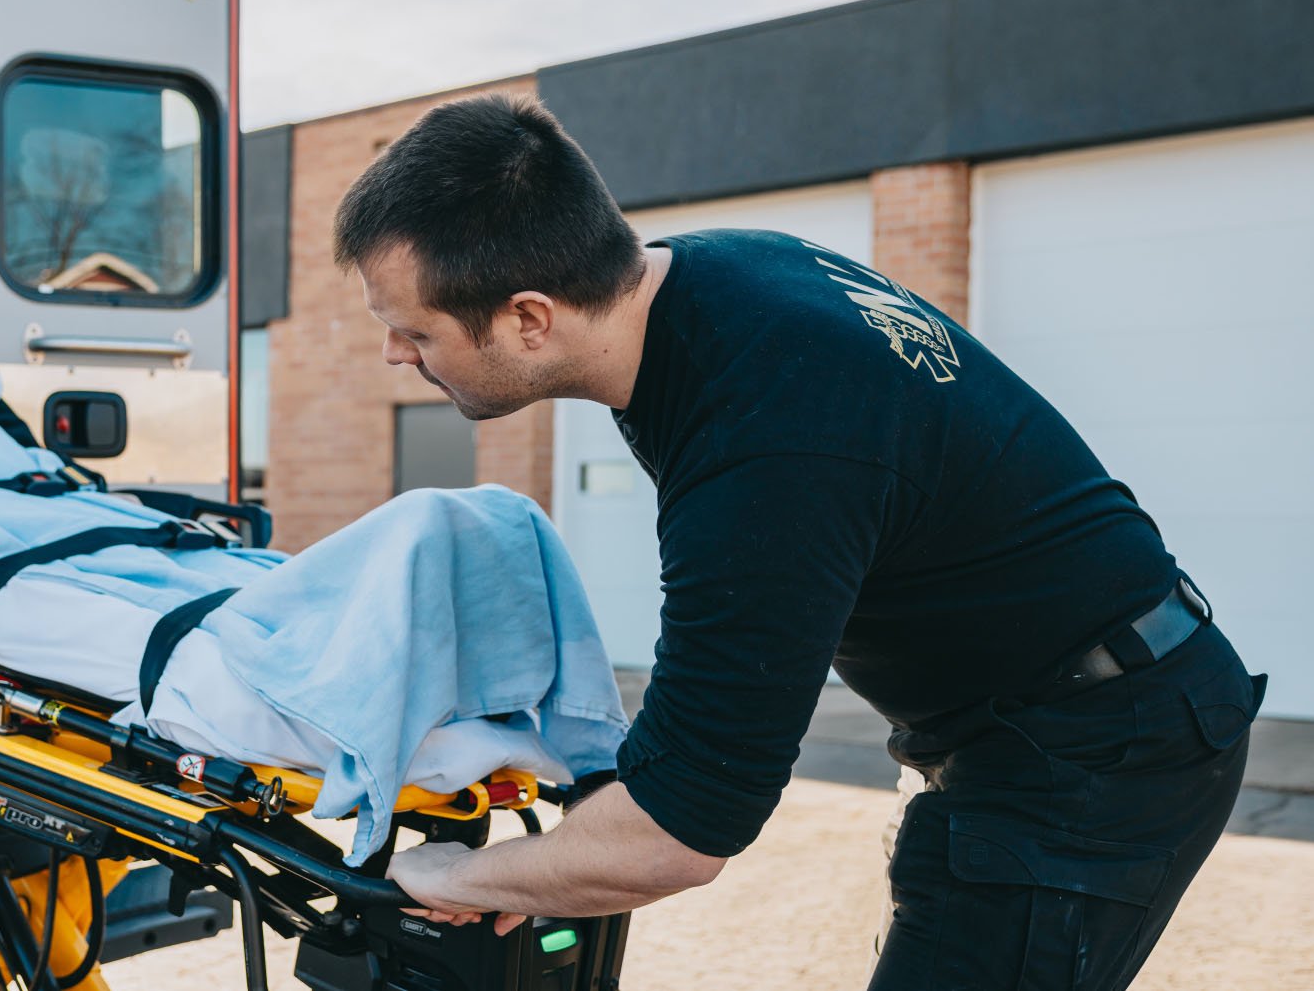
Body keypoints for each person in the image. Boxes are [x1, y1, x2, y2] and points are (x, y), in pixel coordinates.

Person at [336, 95, 1265, 990]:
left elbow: (682, 833)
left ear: (530, 317)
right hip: (1063, 708)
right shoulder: (724, 274)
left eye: (413, 330)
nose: (394, 356)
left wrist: (453, 878)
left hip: (1098, 752)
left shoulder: (766, 433)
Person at [0, 207, 628, 863]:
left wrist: (71, 485)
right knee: (388, 548)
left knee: (420, 534)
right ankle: (356, 681)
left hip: (37, 500)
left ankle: (441, 675)